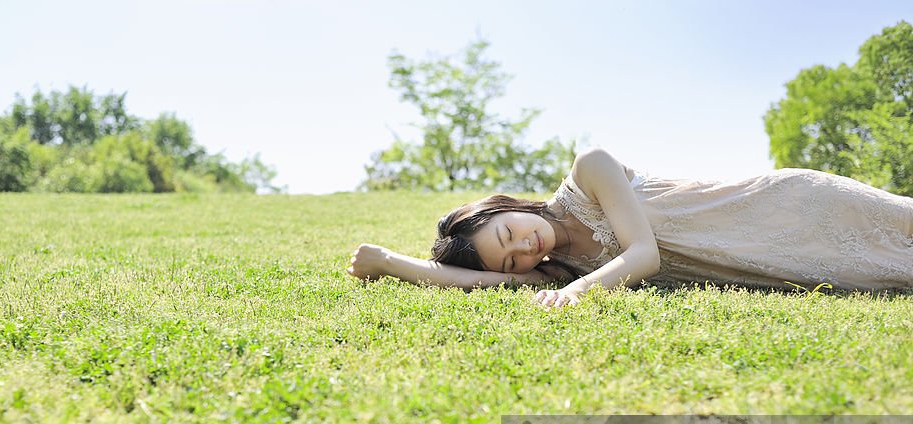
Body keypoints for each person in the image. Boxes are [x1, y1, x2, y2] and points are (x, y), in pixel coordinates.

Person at [346, 148, 913, 307]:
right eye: (512, 260)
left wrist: (572, 297)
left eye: (508, 235)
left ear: (502, 208)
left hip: (796, 206)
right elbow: (484, 284)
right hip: (779, 262)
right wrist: (391, 262)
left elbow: (644, 254)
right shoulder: (557, 270)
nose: (523, 249)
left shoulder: (589, 171)